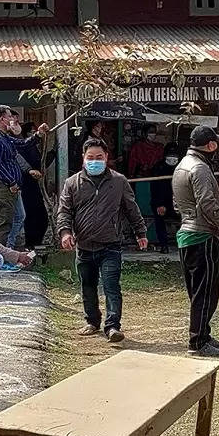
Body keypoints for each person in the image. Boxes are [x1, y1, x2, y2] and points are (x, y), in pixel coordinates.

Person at [56, 138, 148, 344]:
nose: (95, 161)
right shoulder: (72, 183)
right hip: (84, 246)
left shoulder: (118, 181)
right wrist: (65, 233)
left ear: (106, 158)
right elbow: (64, 211)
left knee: (111, 286)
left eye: (99, 157)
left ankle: (113, 326)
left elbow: (131, 209)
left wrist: (140, 232)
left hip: (111, 245)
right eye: (91, 158)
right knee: (87, 286)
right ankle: (92, 321)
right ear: (83, 158)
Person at [173, 127, 219, 358]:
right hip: (202, 235)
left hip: (187, 234)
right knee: (206, 292)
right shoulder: (200, 168)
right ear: (210, 145)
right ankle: (198, 341)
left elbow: (177, 204)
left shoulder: (182, 166)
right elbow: (207, 203)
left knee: (198, 291)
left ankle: (203, 335)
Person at [0, 105, 48, 253]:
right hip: (2, 186)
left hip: (12, 187)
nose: (13, 120)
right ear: (2, 119)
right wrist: (11, 181)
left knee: (20, 216)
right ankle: (0, 256)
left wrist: (38, 135)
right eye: (10, 117)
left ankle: (9, 249)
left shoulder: (4, 136)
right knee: (4, 224)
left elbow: (21, 144)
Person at [18, 121, 50, 247]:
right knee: (33, 217)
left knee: (41, 217)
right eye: (31, 132)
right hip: (27, 185)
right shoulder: (24, 147)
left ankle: (35, 243)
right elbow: (33, 164)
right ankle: (31, 244)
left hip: (35, 185)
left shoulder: (32, 147)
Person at [149, 142, 182, 253]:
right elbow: (155, 188)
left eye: (175, 155)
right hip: (163, 202)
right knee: (159, 217)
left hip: (181, 202)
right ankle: (164, 245)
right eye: (170, 155)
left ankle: (185, 245)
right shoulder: (159, 167)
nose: (172, 158)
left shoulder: (183, 167)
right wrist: (159, 204)